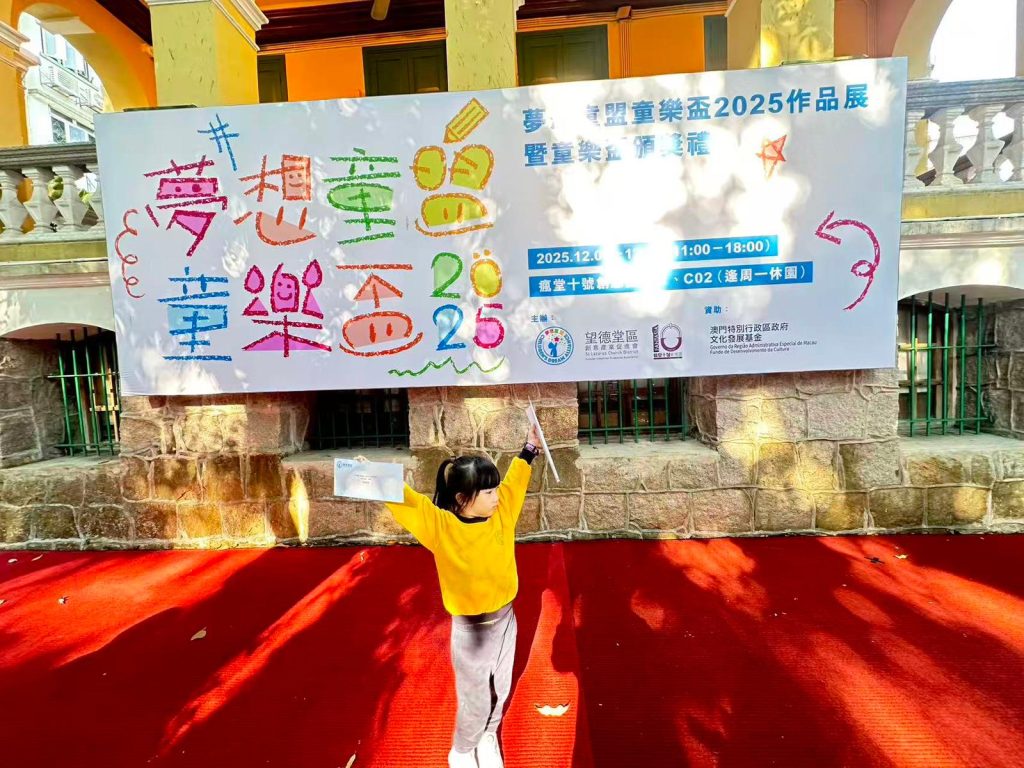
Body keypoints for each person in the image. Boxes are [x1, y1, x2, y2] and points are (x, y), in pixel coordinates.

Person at [384, 423, 542, 768]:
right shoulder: (441, 526)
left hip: (506, 620)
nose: (497, 496)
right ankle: (461, 749)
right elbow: (408, 501)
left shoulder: (502, 512)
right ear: (461, 499)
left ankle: (488, 736)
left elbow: (515, 481)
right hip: (471, 630)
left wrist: (530, 448)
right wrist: (370, 475)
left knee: (500, 686)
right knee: (475, 696)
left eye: (495, 489)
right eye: (488, 492)